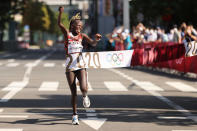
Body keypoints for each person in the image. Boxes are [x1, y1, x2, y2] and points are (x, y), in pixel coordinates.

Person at [58, 6, 102, 125]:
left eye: (81, 27)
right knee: (73, 92)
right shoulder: (67, 35)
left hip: (81, 65)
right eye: (78, 27)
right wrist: (60, 13)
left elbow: (92, 43)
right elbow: (59, 24)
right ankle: (75, 115)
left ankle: (85, 95)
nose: (80, 29)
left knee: (83, 88)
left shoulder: (82, 36)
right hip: (70, 67)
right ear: (72, 26)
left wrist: (96, 40)